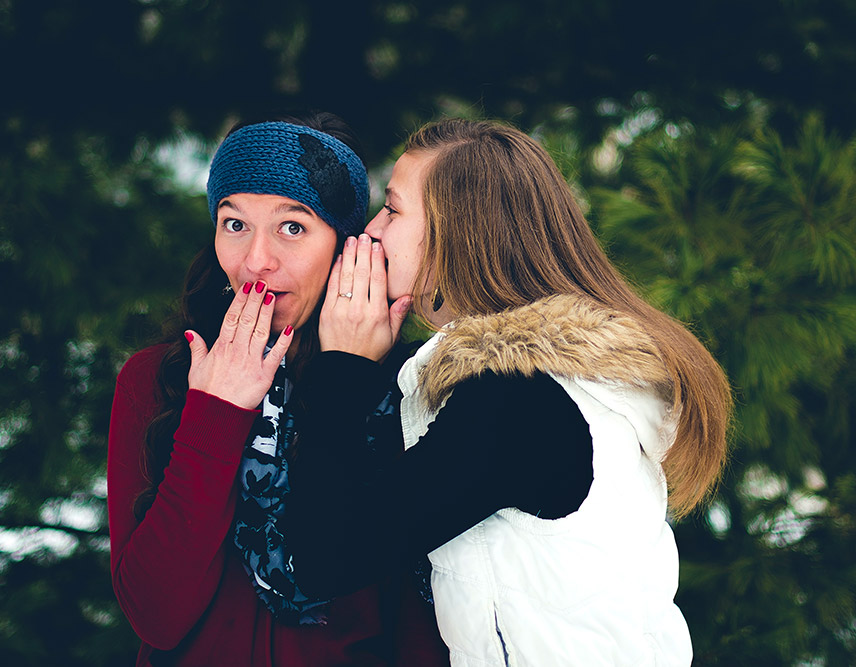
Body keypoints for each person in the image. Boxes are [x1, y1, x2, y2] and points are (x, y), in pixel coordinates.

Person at [282, 118, 732, 666]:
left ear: (459, 234)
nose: (372, 231)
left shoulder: (518, 404)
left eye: (394, 209)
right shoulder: (557, 386)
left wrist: (343, 368)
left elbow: (324, 558)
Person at [106, 112, 448, 666]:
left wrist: (350, 378)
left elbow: (419, 623)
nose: (256, 261)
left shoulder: (404, 385)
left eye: (293, 226)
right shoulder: (157, 379)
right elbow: (156, 616)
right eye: (234, 223)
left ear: (344, 245)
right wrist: (213, 416)